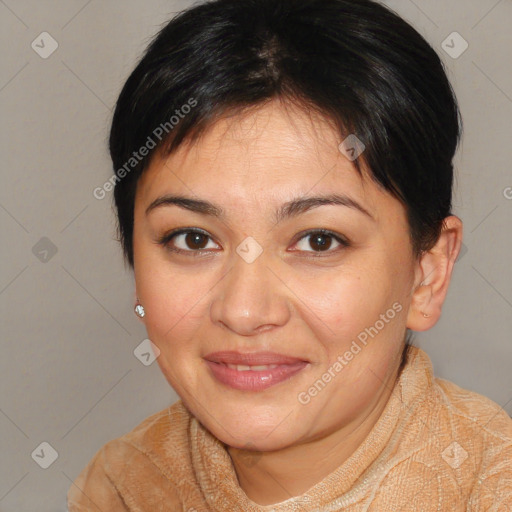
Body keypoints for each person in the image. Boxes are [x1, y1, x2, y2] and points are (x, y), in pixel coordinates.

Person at [67, 0, 512, 509]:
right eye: (193, 239)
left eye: (319, 240)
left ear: (427, 273)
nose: (244, 311)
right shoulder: (119, 487)